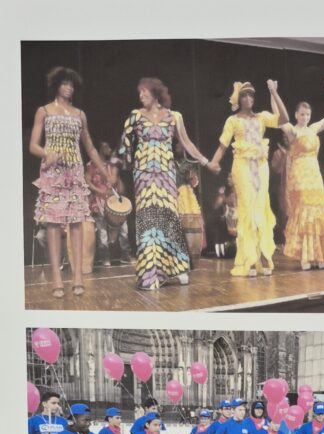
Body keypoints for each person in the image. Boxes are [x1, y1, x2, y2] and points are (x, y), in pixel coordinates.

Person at [119, 77, 214, 290]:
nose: (141, 96)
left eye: (144, 92)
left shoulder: (174, 116)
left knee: (169, 218)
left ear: (155, 93)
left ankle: (177, 268)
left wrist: (205, 161)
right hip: (144, 175)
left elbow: (186, 142)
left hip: (166, 173)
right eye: (139, 92)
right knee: (148, 220)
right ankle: (150, 271)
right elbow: (125, 145)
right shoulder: (135, 116)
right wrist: (124, 161)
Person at [30, 67, 111, 298]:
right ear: (56, 85)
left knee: (77, 222)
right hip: (53, 174)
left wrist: (105, 173)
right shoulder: (44, 111)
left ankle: (77, 277)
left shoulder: (79, 114)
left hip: (75, 172)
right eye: (65, 83)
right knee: (53, 225)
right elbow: (33, 145)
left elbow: (90, 147)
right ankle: (57, 279)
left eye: (72, 84)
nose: (69, 88)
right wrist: (47, 153)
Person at [208, 80, 290, 278]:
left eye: (251, 95)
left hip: (260, 167)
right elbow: (223, 146)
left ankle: (264, 257)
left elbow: (284, 119)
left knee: (261, 209)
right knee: (248, 211)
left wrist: (274, 92)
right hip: (242, 166)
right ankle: (250, 259)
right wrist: (213, 162)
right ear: (239, 99)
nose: (248, 98)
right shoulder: (232, 120)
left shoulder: (262, 117)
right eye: (244, 95)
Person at [281, 81, 324, 270]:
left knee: (317, 213)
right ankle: (305, 257)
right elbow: (280, 118)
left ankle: (319, 255)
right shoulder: (292, 130)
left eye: (307, 114)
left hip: (314, 175)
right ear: (296, 115)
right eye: (301, 114)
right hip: (299, 175)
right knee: (305, 212)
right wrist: (273, 92)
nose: (305, 117)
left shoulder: (313, 128)